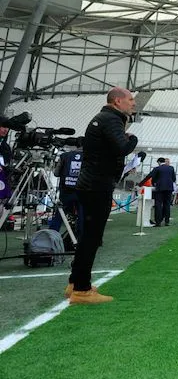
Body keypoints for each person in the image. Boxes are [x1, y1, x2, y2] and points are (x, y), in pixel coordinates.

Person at [66, 88, 138, 304]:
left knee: (88, 235)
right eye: (130, 100)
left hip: (90, 183)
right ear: (117, 101)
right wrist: (132, 139)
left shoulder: (103, 118)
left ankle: (75, 282)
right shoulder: (111, 119)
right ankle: (81, 290)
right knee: (92, 237)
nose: (133, 103)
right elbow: (122, 148)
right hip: (97, 184)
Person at [52, 140, 84, 238]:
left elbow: (56, 173)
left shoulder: (65, 156)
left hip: (66, 191)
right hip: (82, 191)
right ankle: (80, 240)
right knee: (82, 216)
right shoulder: (91, 157)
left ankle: (51, 237)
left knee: (59, 215)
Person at [142, 157, 176, 226]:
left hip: (160, 188)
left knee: (158, 205)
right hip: (169, 188)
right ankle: (167, 221)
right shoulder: (171, 168)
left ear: (159, 162)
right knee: (167, 205)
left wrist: (141, 184)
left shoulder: (157, 168)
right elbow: (174, 178)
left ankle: (158, 222)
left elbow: (149, 176)